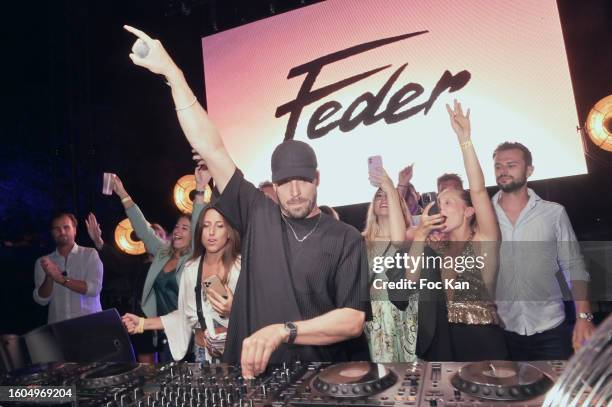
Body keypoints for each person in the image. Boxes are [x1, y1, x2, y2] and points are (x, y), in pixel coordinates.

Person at [124, 25, 369, 377]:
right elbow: (212, 147)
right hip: (247, 376)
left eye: (303, 180)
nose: (295, 191)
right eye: (285, 182)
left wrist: (284, 331)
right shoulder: (258, 213)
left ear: (317, 180)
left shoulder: (345, 238)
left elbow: (352, 321)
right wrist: (173, 75)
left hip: (317, 380)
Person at [405, 100, 507, 361]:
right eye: (439, 203)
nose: (441, 207)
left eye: (449, 202)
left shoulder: (484, 239)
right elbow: (410, 281)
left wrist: (464, 139)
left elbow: (478, 189)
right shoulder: (435, 247)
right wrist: (419, 236)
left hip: (481, 338)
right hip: (442, 340)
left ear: (468, 211)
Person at [492, 141, 594, 360]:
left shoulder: (554, 213)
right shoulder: (484, 216)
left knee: (553, 393)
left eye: (511, 165)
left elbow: (573, 265)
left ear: (529, 170)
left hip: (551, 330)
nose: (503, 171)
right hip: (500, 332)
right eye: (498, 166)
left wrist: (583, 316)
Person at [110, 167, 209, 361]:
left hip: (194, 331)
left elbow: (198, 221)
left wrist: (200, 188)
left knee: (196, 388)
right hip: (168, 330)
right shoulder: (163, 253)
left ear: (194, 235)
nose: (179, 231)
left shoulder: (192, 256)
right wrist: (122, 193)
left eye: (185, 228)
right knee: (171, 386)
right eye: (177, 227)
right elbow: (143, 229)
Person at [122, 207, 241, 362]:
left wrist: (234, 310)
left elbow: (261, 313)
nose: (211, 232)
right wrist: (142, 324)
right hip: (202, 357)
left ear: (229, 232)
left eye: (219, 226)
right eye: (206, 225)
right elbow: (185, 315)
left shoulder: (241, 267)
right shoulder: (191, 270)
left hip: (238, 354)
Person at [85, 212, 167, 363]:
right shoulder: (138, 267)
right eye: (150, 236)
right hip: (143, 324)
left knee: (173, 368)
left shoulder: (177, 264)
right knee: (147, 370)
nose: (153, 240)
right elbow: (116, 262)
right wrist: (98, 242)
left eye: (158, 235)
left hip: (169, 324)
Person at [363, 167, 418, 362]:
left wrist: (391, 186)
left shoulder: (412, 236)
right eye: (379, 196)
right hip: (378, 318)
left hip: (408, 313)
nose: (384, 199)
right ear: (372, 206)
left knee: (414, 378)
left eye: (389, 196)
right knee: (386, 376)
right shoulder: (362, 242)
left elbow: (398, 239)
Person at [33, 213, 103, 323]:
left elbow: (94, 289)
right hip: (58, 328)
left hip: (90, 326)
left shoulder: (90, 254)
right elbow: (41, 300)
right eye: (57, 229)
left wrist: (61, 279)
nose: (62, 232)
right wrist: (49, 277)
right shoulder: (43, 262)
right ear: (52, 233)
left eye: (66, 227)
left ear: (74, 230)